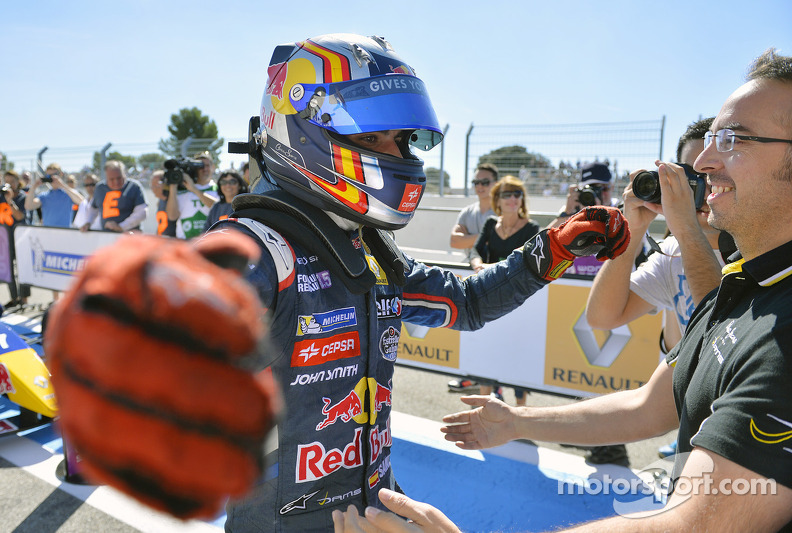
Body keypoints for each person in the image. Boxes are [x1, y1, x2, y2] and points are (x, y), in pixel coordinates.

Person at [49, 33, 628, 532]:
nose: (396, 153)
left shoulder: (368, 249)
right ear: (306, 128)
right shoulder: (259, 248)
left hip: (377, 507)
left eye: (402, 139)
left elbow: (470, 302)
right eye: (374, 137)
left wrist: (549, 250)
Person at [337, 47, 792, 533]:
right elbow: (649, 406)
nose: (703, 162)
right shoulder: (742, 286)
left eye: (734, 139)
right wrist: (516, 423)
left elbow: (696, 524)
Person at [586, 117, 726, 460]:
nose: (704, 189)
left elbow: (723, 333)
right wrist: (632, 229)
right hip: (694, 427)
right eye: (691, 178)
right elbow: (603, 316)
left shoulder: (761, 250)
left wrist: (685, 226)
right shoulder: (673, 254)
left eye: (713, 175)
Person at [469, 175, 539, 405]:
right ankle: (483, 409)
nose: (512, 199)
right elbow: (475, 251)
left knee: (518, 357)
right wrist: (477, 264)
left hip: (520, 302)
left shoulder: (531, 228)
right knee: (487, 354)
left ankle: (520, 413)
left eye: (517, 194)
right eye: (506, 194)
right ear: (497, 199)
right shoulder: (490, 224)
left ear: (522, 199)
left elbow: (523, 263)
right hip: (490, 297)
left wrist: (486, 267)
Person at [445, 162, 499, 394]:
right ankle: (474, 379)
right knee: (471, 332)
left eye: (485, 182)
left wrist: (471, 238)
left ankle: (493, 385)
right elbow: (454, 241)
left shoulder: (504, 210)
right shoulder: (468, 211)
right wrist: (487, 236)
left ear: (495, 184)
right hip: (470, 279)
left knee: (495, 336)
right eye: (476, 182)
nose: (480, 186)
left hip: (497, 278)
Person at [78, 160, 148, 233]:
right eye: (112, 179)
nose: (116, 182)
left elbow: (142, 212)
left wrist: (121, 226)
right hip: (107, 235)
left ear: (124, 174)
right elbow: (93, 209)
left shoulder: (133, 187)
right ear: (106, 177)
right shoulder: (100, 188)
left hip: (130, 236)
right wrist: (88, 222)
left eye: (119, 178)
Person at [0, 170, 31, 307]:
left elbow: (20, 216)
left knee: (23, 268)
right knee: (8, 269)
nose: (9, 184)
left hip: (19, 238)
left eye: (12, 181)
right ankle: (14, 298)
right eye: (7, 181)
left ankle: (24, 299)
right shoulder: (1, 197)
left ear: (17, 182)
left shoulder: (22, 197)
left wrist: (10, 200)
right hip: (4, 238)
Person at [166, 151, 217, 239]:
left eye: (207, 165)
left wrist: (194, 189)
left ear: (213, 167)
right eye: (200, 166)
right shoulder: (183, 190)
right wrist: (173, 186)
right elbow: (172, 216)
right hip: (185, 243)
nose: (204, 169)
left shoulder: (220, 188)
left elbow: (219, 208)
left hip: (210, 242)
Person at [24, 162, 85, 227]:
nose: (52, 178)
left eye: (55, 175)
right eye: (49, 176)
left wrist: (62, 185)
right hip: (49, 233)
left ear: (61, 174)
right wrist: (34, 187)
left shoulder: (68, 194)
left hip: (65, 233)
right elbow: (28, 206)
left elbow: (82, 201)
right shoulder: (44, 196)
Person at [148, 169, 176, 236]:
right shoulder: (160, 201)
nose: (152, 188)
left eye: (155, 185)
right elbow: (160, 224)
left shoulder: (173, 201)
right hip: (162, 239)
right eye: (152, 185)